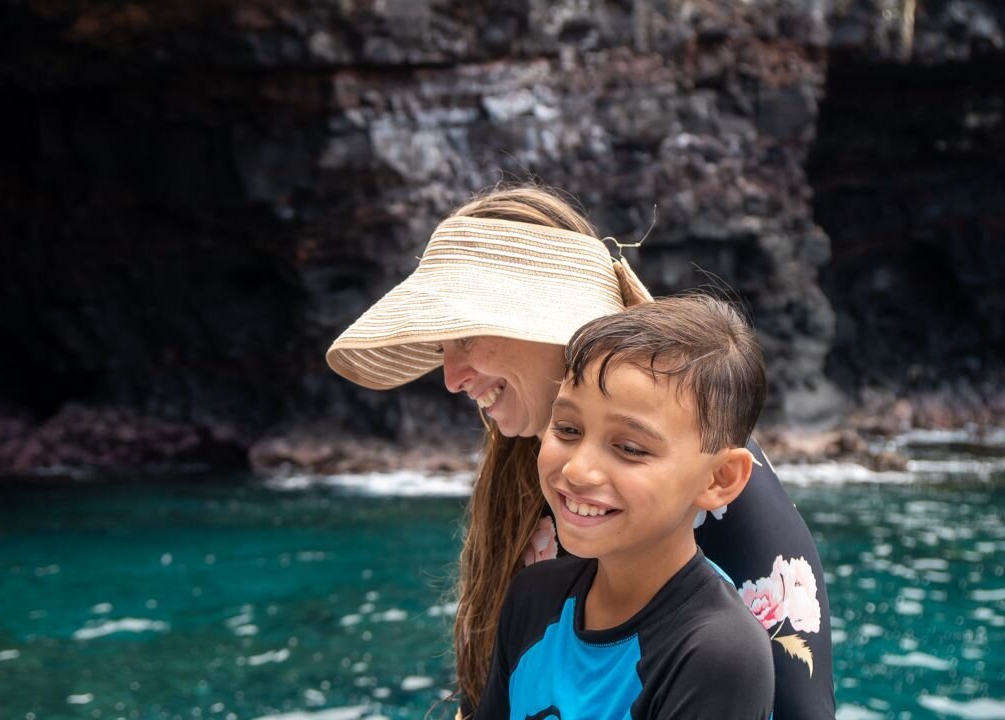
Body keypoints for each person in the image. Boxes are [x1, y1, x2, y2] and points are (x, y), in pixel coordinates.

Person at [326, 186, 835, 719]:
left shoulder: (707, 468)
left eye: (467, 336)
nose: (451, 377)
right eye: (442, 346)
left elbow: (800, 705)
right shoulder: (531, 463)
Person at [476, 294, 774, 718]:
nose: (579, 471)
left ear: (719, 478)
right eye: (567, 428)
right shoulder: (531, 596)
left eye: (630, 448)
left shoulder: (716, 653)